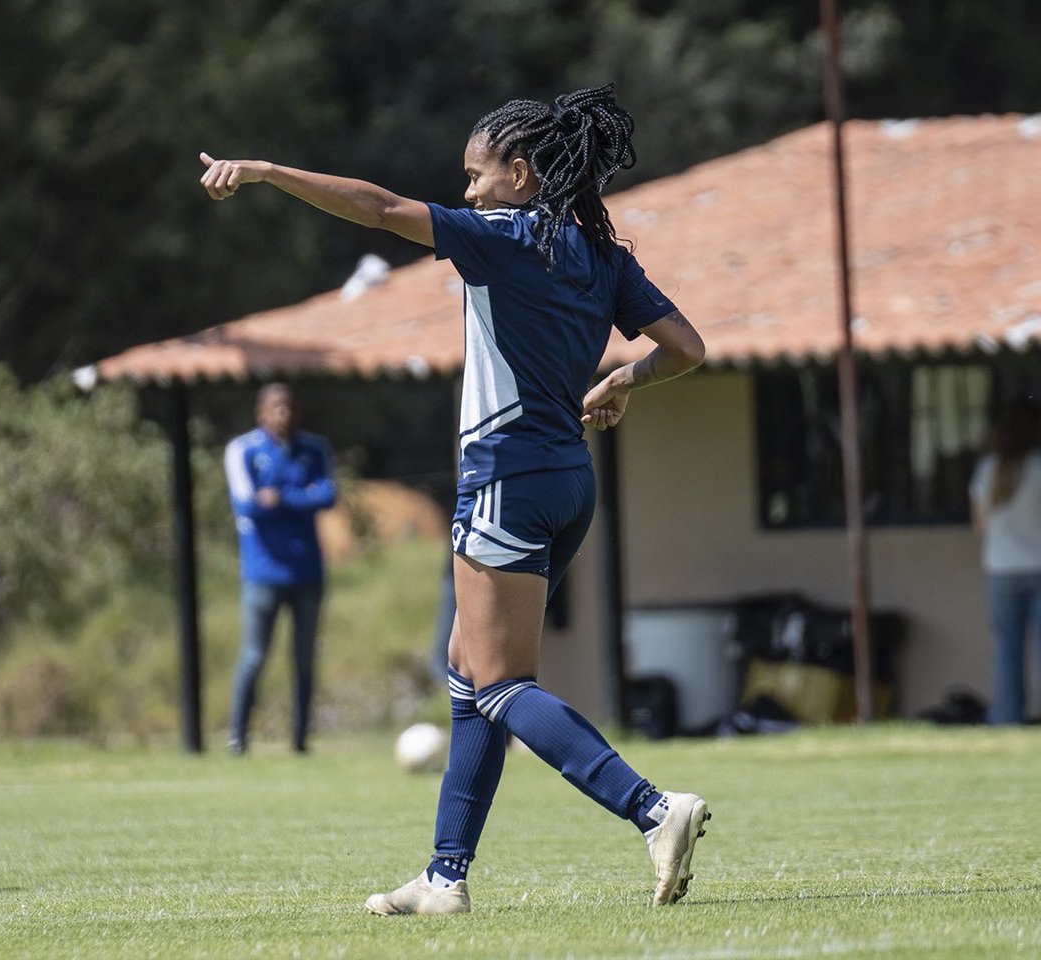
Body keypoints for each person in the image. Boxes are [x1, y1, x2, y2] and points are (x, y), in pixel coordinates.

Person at [200, 83, 708, 913]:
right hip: (567, 482)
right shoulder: (601, 254)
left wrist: (266, 172)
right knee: (470, 675)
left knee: (501, 685)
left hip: (505, 479)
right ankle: (445, 877)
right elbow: (685, 348)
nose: (467, 192)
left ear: (521, 173)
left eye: (476, 175)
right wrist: (624, 379)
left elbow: (378, 207)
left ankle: (653, 809)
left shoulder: (500, 236)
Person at [224, 384, 336, 754]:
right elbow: (247, 505)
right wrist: (301, 498)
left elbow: (327, 496)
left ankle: (300, 740)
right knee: (254, 657)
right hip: (262, 574)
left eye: (288, 407)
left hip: (308, 573)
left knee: (304, 660)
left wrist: (281, 497)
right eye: (276, 408)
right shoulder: (243, 450)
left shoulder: (314, 449)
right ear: (261, 413)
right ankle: (238, 738)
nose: (283, 414)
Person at [970, 398, 1041, 725]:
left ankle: (1007, 719)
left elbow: (980, 526)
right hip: (1037, 566)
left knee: (1007, 650)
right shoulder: (1038, 467)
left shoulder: (988, 469)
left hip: (1000, 570)